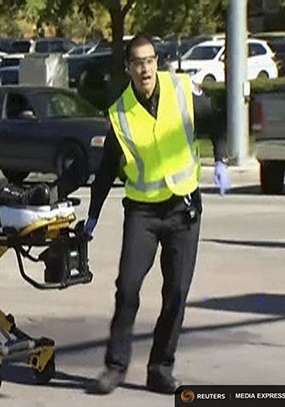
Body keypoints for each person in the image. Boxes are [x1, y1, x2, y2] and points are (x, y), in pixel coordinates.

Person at [85, 34, 231, 394]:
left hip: (183, 209)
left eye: (150, 60)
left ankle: (160, 368)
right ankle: (115, 367)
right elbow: (106, 169)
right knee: (128, 288)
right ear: (128, 68)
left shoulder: (182, 90)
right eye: (137, 62)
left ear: (158, 63)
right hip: (143, 214)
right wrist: (91, 217)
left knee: (177, 292)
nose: (145, 68)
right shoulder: (121, 111)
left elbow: (217, 119)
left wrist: (222, 160)